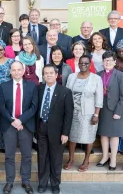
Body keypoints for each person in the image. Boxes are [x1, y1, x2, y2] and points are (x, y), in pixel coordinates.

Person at [0, 61, 38, 194]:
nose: (16, 72)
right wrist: (12, 120)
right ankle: (9, 182)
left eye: (19, 69)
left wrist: (20, 120)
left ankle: (26, 181)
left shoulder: (32, 86)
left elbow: (33, 107)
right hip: (9, 125)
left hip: (25, 125)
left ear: (23, 70)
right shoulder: (4, 86)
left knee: (26, 155)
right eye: (13, 70)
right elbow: (1, 106)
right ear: (10, 71)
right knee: (9, 155)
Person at [37, 64, 74, 194]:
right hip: (41, 127)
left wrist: (65, 133)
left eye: (51, 73)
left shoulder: (65, 91)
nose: (48, 75)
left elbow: (69, 114)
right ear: (43, 75)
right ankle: (42, 183)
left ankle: (55, 183)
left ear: (57, 75)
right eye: (46, 73)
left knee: (56, 158)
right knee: (42, 157)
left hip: (58, 131)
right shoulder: (39, 89)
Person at [64, 55, 103, 172]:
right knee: (72, 137)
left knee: (89, 137)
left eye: (86, 63)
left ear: (90, 65)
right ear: (78, 64)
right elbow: (66, 93)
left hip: (88, 113)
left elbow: (99, 98)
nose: (83, 65)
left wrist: (96, 115)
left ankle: (86, 160)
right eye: (81, 63)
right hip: (72, 112)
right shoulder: (71, 76)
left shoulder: (96, 78)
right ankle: (71, 159)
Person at [96, 51, 123, 171]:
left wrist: (119, 111)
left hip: (115, 108)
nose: (107, 62)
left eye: (110, 60)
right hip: (102, 108)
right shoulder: (98, 74)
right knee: (103, 133)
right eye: (105, 60)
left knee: (114, 135)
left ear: (115, 62)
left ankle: (113, 159)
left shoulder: (120, 75)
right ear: (103, 62)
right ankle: (105, 157)